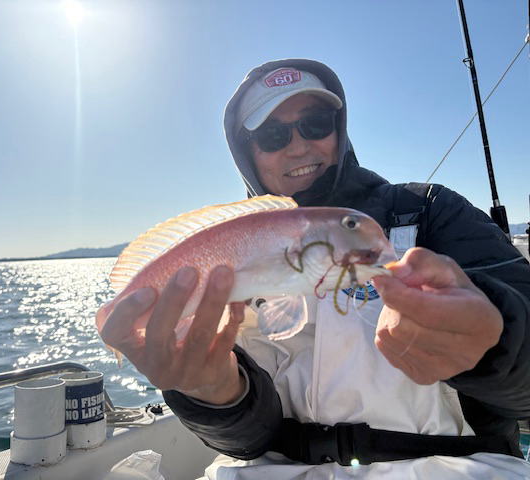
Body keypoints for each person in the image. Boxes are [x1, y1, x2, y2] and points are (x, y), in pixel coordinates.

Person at [99, 59, 530, 479]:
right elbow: (248, 442)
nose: (298, 146)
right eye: (272, 135)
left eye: (316, 123)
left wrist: (496, 344)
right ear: (247, 153)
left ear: (339, 130)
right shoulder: (241, 243)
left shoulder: (430, 211)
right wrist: (210, 393)